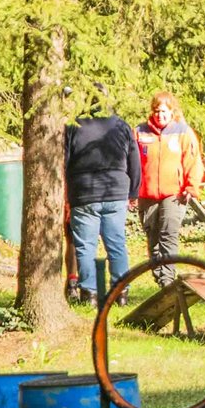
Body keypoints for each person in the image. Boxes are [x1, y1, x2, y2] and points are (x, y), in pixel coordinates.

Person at [65, 98, 141, 306]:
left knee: (85, 245)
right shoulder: (121, 125)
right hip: (115, 190)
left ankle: (89, 293)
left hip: (84, 191)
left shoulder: (73, 126)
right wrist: (133, 190)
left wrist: (66, 193)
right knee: (116, 243)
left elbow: (64, 160)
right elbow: (134, 159)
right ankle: (121, 292)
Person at [135, 92, 205, 288]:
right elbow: (132, 163)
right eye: (157, 111)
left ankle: (168, 279)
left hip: (175, 194)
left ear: (171, 112)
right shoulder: (140, 132)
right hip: (147, 194)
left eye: (164, 111)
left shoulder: (183, 132)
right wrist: (131, 190)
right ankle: (160, 277)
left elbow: (193, 162)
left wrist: (191, 187)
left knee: (168, 234)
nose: (160, 115)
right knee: (153, 237)